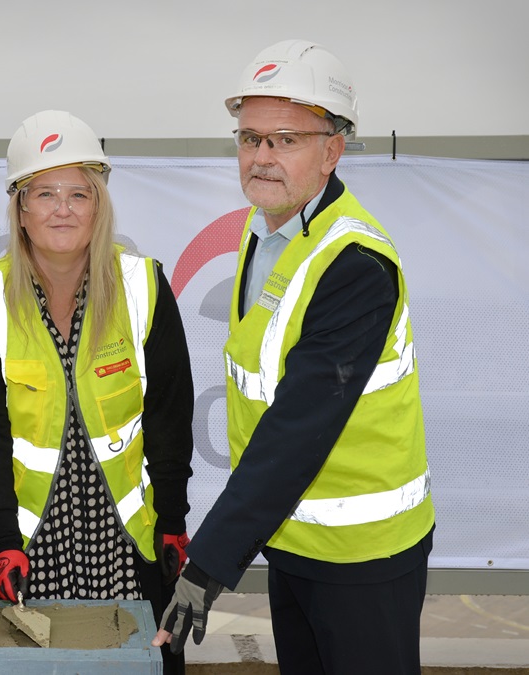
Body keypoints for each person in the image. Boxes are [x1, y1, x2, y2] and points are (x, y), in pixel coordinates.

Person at [153, 40, 436, 674]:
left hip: (364, 558)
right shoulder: (267, 231)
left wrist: (210, 562)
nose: (260, 157)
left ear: (332, 149)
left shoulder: (355, 264)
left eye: (284, 139)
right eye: (250, 138)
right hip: (293, 541)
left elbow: (297, 428)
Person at [0, 110, 194, 674]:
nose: (62, 209)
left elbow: (168, 419)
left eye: (79, 194)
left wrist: (175, 519)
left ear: (99, 205)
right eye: (44, 193)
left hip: (126, 544)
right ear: (20, 208)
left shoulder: (145, 287)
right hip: (24, 551)